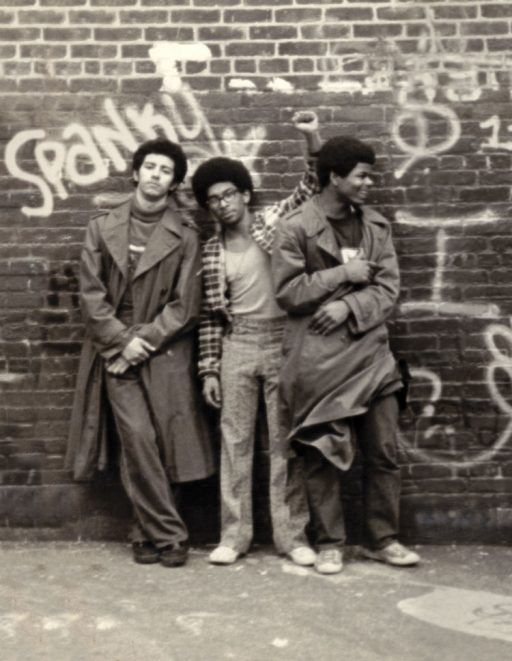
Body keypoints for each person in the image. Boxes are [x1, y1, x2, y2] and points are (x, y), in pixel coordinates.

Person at [272, 135, 420, 575]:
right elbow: (288, 292)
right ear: (334, 177)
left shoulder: (376, 227)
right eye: (361, 176)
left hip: (373, 357)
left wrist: (347, 307)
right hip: (318, 361)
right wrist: (343, 274)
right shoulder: (295, 226)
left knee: (384, 451)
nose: (368, 183)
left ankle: (382, 539)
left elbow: (388, 289)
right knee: (321, 453)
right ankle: (330, 542)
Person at [66, 138, 212, 568]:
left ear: (174, 183)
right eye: (150, 166)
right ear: (135, 173)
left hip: (164, 348)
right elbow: (91, 296)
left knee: (165, 442)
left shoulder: (186, 235)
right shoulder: (101, 227)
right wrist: (121, 341)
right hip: (115, 349)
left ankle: (142, 531)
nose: (156, 175)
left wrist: (142, 342)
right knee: (138, 438)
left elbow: (185, 305)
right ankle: (171, 535)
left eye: (166, 171)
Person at [192, 111, 323, 567]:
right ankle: (234, 536)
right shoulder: (211, 250)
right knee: (235, 442)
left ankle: (292, 537)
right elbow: (211, 316)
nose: (222, 204)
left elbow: (311, 186)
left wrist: (311, 136)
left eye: (228, 194)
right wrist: (209, 369)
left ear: (245, 194)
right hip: (238, 343)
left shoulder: (273, 222)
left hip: (283, 340)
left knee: (285, 442)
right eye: (213, 199)